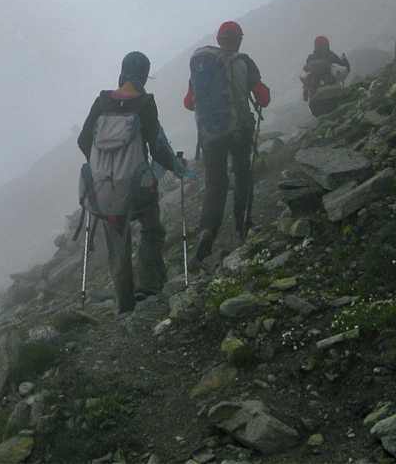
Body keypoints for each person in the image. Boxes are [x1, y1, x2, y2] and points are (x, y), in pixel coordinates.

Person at [78, 51, 186, 314]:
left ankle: (124, 306)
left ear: (123, 71)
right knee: (152, 229)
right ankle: (148, 286)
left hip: (105, 191)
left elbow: (83, 140)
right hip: (138, 190)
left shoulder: (102, 102)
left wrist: (102, 167)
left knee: (118, 245)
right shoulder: (145, 103)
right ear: (144, 76)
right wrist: (177, 167)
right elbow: (156, 146)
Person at [184, 21, 270, 261]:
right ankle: (243, 226)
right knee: (243, 173)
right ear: (239, 40)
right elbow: (263, 99)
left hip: (210, 134)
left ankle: (207, 232)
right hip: (239, 131)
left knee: (215, 183)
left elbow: (189, 103)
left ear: (219, 38)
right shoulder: (244, 62)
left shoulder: (203, 65)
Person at [300, 35, 350, 101]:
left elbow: (306, 75)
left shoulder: (310, 58)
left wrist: (305, 93)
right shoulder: (331, 56)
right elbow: (347, 69)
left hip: (315, 90)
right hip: (332, 87)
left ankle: (305, 97)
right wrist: (344, 60)